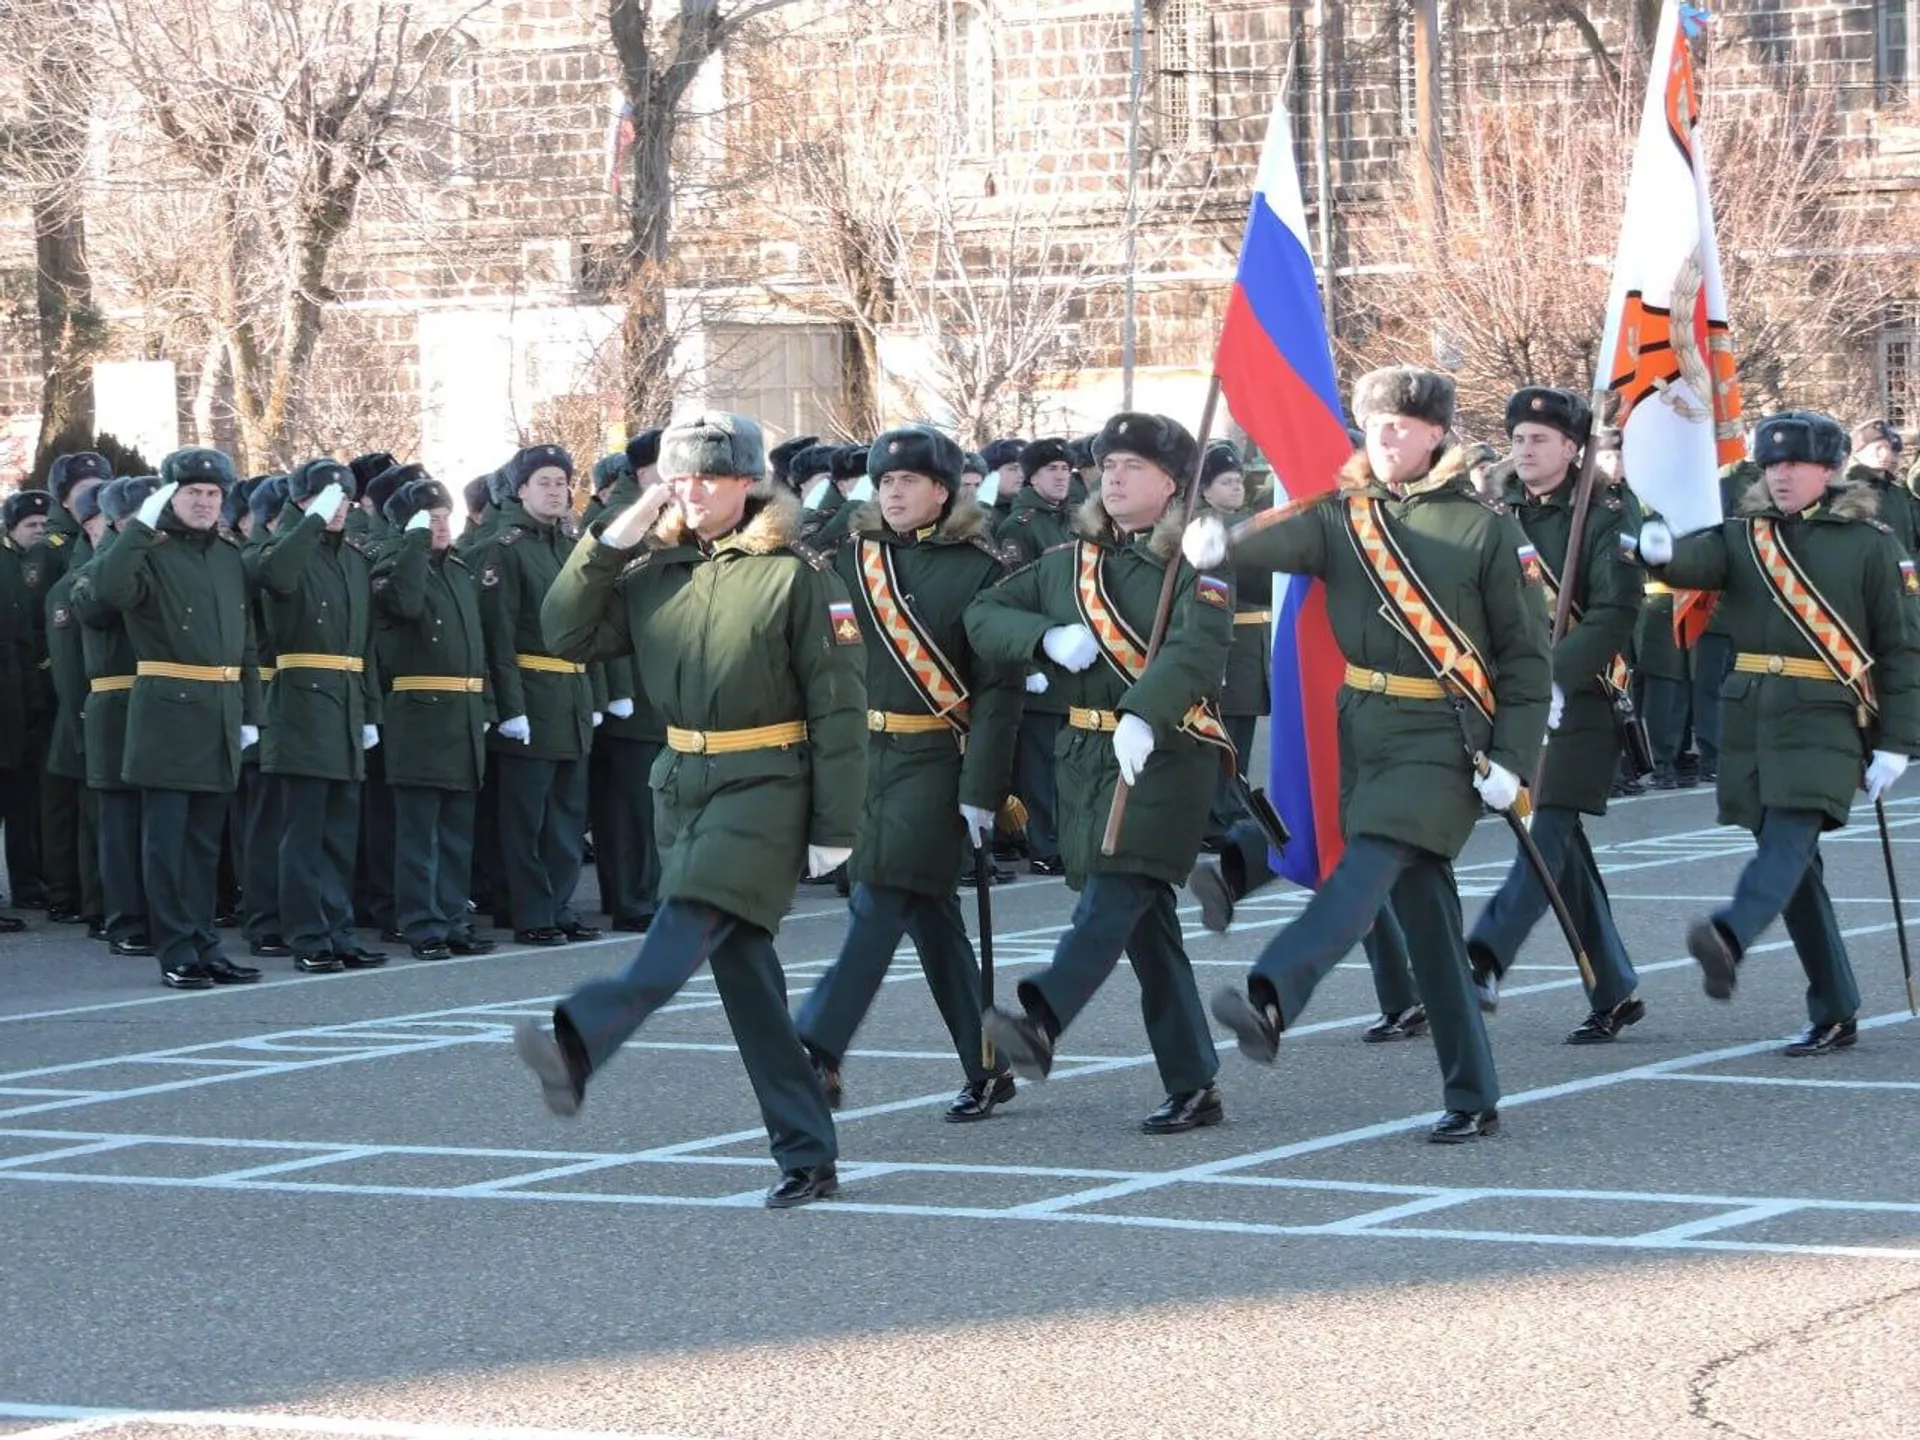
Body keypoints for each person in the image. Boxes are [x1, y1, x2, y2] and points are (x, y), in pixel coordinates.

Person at [513, 412, 867, 1209]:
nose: (694, 490)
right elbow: (564, 632)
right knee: (747, 981)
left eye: (712, 475)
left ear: (749, 482)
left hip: (768, 782)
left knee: (685, 917)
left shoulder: (796, 573)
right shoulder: (652, 571)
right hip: (682, 785)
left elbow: (840, 708)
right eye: (681, 476)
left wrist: (836, 826)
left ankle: (582, 1039)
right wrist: (618, 532)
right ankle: (808, 1152)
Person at [1189, 366, 1549, 1142]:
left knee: (1366, 865)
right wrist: (1221, 540)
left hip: (1447, 739)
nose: (1384, 437)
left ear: (1436, 435)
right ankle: (1472, 1092)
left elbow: (1525, 657)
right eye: (1375, 423)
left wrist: (1516, 760)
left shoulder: (1485, 528)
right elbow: (1273, 540)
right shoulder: (1343, 516)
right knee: (1427, 922)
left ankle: (1273, 994)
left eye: (1401, 425)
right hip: (1364, 732)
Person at [967, 412, 1233, 1133]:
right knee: (1148, 929)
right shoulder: (1066, 565)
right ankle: (1194, 1082)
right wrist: (1045, 637)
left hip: (1167, 753)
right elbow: (984, 616)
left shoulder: (1196, 564)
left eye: (1133, 467)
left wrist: (1144, 710)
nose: (1112, 477)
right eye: (1107, 465)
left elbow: (1195, 654)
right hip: (1084, 761)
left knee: (1114, 895)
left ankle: (1043, 1019)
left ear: (1173, 484)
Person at [1635, 410, 1920, 1055]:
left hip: (1825, 714)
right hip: (1751, 716)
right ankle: (1835, 1008)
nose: (1782, 474)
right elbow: (1695, 563)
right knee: (1796, 871)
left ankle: (1730, 935)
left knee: (1788, 840)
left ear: (1829, 469)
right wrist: (1660, 549)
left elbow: (1903, 651)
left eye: (1796, 464)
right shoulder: (1745, 536)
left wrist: (1898, 742)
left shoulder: (1871, 545)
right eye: (1772, 465)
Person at [793, 425, 1024, 1121]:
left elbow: (999, 691)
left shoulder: (979, 570)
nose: (893, 492)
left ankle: (815, 1045)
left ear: (943, 492)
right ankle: (988, 1060)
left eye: (908, 482)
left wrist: (984, 790)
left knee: (878, 898)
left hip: (934, 761)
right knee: (930, 920)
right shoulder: (850, 557)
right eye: (883, 481)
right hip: (864, 760)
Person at [1465, 387, 1645, 1044]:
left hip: (1584, 699)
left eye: (1540, 438)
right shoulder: (1497, 516)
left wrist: (1555, 676)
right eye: (1518, 438)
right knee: (1559, 850)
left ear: (1574, 448)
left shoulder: (1604, 518)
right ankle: (1615, 987)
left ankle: (1484, 954)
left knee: (1546, 832)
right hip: (1514, 702)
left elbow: (1615, 614)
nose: (1525, 449)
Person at [81, 450, 265, 989]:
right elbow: (105, 594)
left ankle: (205, 944)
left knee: (205, 845)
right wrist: (139, 528)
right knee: (166, 844)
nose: (206, 503)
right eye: (193, 494)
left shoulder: (229, 556)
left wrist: (250, 711)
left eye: (213, 495)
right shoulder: (147, 551)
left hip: (220, 711)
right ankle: (176, 950)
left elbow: (245, 640)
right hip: (166, 712)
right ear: (169, 497)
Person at [249, 457, 386, 974]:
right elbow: (278, 575)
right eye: (324, 501)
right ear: (299, 502)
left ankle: (338, 929)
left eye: (344, 501)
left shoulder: (352, 559)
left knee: (338, 831)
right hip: (299, 703)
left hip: (346, 702)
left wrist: (370, 710)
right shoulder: (275, 550)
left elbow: (364, 645)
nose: (336, 511)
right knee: (303, 833)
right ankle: (307, 933)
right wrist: (306, 524)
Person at [473, 444, 600, 947]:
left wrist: (592, 697)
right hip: (529, 695)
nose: (555, 491)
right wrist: (511, 708)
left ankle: (558, 904)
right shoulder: (504, 549)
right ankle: (530, 911)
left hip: (570, 696)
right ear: (520, 489)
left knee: (567, 816)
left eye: (561, 482)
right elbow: (498, 637)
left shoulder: (570, 548)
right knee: (526, 819)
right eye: (543, 482)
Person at [371, 477, 496, 960]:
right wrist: (413, 544)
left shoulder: (460, 571)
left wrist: (485, 707)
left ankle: (451, 916)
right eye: (429, 519)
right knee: (419, 832)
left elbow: (477, 647)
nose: (441, 527)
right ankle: (421, 923)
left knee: (456, 830)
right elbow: (403, 603)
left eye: (445, 518)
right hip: (419, 716)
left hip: (461, 715)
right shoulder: (394, 567)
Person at [41, 481, 109, 937]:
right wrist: (84, 721)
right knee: (94, 817)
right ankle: (97, 903)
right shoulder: (69, 588)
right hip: (86, 717)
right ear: (88, 525)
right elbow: (68, 672)